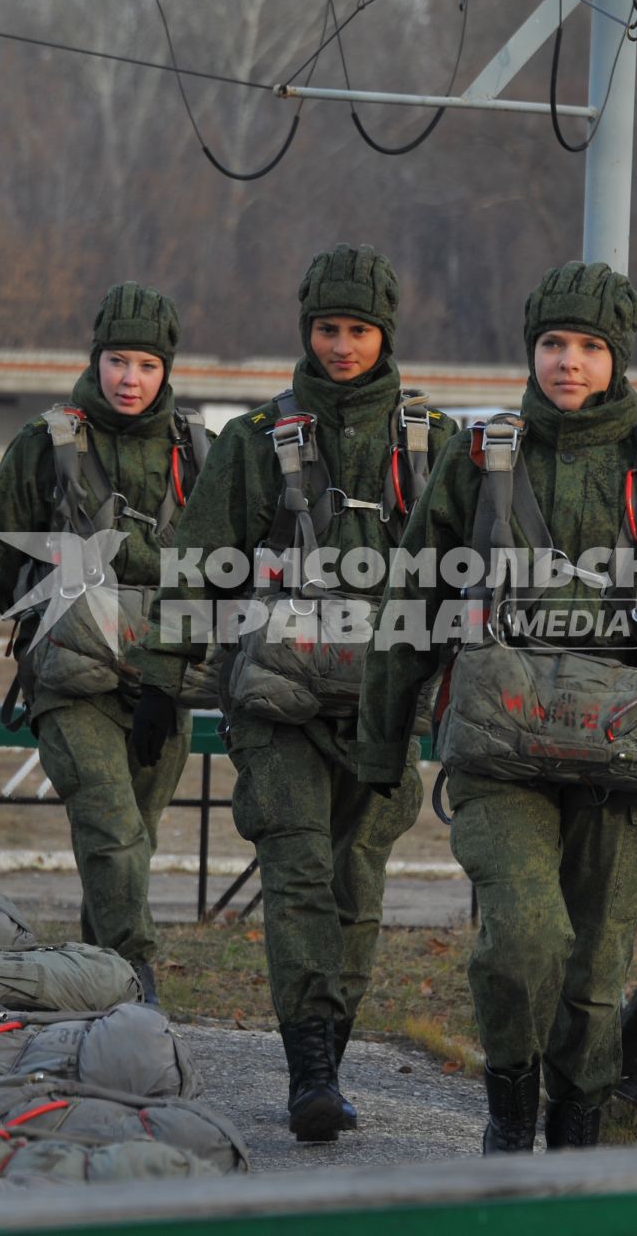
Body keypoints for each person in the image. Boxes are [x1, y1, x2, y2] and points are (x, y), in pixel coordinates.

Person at [357, 262, 637, 1152]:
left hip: (626, 756)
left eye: (589, 346)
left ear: (617, 357)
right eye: (554, 343)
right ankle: (511, 1109)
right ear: (532, 350)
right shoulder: (481, 458)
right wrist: (378, 736)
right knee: (522, 937)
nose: (569, 362)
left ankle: (577, 1132)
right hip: (499, 753)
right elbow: (413, 600)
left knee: (592, 966)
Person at [126, 244, 455, 1142]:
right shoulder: (254, 441)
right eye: (326, 328)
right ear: (305, 330)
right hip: (274, 705)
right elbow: (194, 562)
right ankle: (310, 1069)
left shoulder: (436, 444)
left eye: (357, 329)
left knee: (357, 885)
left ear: (385, 333)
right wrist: (162, 679)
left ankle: (331, 1054)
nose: (341, 344)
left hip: (384, 712)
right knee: (301, 875)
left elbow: (478, 576)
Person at [0, 282, 207, 1006]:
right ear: (95, 359)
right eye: (116, 361)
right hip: (68, 686)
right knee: (114, 838)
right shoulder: (48, 444)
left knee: (131, 843)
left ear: (166, 368)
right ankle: (137, 987)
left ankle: (93, 995)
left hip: (159, 687)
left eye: (145, 364)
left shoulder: (200, 453)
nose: (129, 379)